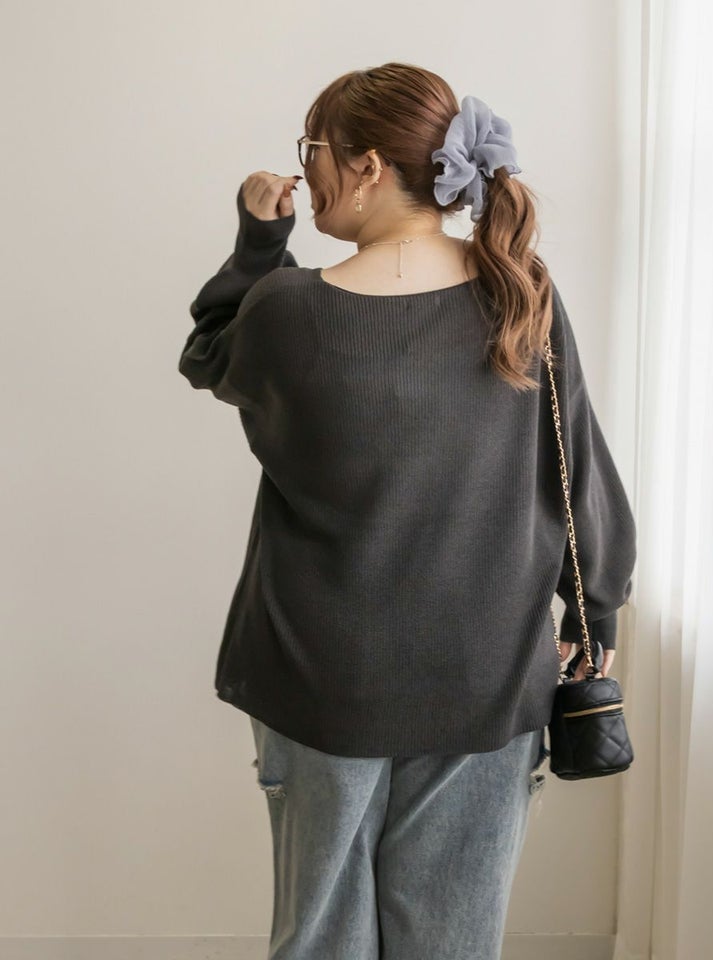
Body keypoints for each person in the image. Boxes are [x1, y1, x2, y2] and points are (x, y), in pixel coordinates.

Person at [179, 62, 636, 960]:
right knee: (453, 941)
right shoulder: (520, 292)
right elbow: (575, 461)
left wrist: (259, 243)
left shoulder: (286, 309)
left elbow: (208, 355)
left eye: (313, 148)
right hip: (486, 669)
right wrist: (598, 608)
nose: (304, 169)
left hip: (319, 674)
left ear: (367, 167)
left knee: (321, 936)